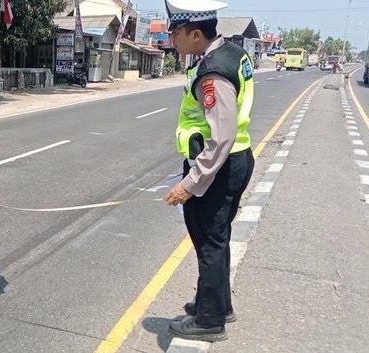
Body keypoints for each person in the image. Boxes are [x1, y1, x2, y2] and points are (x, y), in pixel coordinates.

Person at [162, 0, 255, 342]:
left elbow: (221, 138)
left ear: (196, 34)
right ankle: (217, 303)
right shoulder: (231, 53)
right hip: (232, 161)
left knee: (209, 242)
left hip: (218, 167)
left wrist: (189, 184)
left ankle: (210, 320)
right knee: (217, 238)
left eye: (176, 33)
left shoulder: (213, 73)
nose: (172, 39)